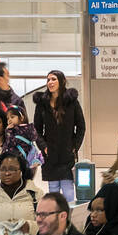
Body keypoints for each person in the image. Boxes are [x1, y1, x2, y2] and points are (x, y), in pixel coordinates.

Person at [33, 70, 85, 199]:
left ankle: (70, 217)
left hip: (67, 152)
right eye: (48, 80)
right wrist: (43, 146)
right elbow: (36, 129)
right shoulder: (42, 103)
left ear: (62, 81)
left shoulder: (71, 102)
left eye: (53, 79)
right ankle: (55, 217)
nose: (50, 82)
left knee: (68, 190)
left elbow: (81, 127)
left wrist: (74, 146)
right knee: (53, 190)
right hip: (50, 153)